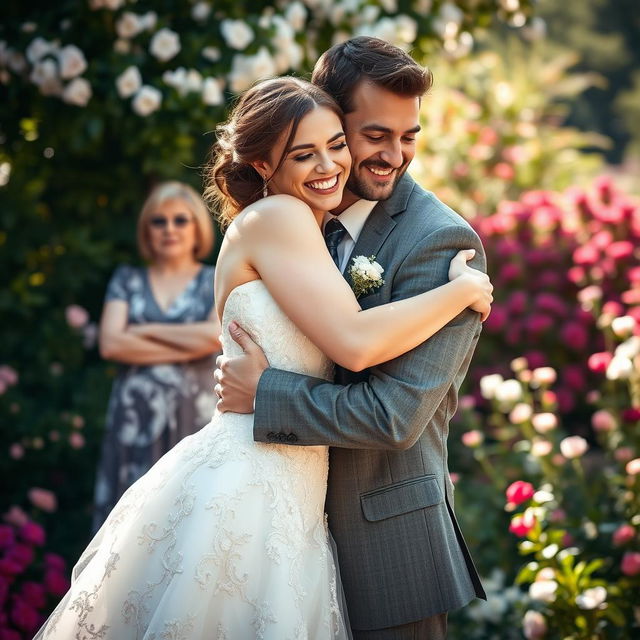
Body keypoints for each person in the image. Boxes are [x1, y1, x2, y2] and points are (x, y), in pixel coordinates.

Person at [34, 76, 491, 640]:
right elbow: (354, 342)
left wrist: (265, 386)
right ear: (262, 165)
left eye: (335, 144)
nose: (329, 164)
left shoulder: (297, 222)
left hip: (292, 491)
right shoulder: (282, 218)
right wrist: (462, 293)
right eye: (304, 154)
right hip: (252, 484)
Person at [214, 37, 488, 639]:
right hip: (276, 525)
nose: (395, 156)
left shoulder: (442, 245)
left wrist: (267, 393)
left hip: (384, 547)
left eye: (409, 136)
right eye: (374, 136)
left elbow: (393, 417)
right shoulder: (292, 214)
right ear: (331, 114)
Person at [93, 181, 221, 530]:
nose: (170, 230)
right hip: (134, 424)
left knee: (189, 524)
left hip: (195, 421)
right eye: (159, 221)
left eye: (181, 220)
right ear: (146, 231)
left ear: (197, 227)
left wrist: (143, 330)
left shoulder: (215, 279)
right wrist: (187, 342)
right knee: (130, 527)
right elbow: (111, 345)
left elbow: (213, 337)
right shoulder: (127, 279)